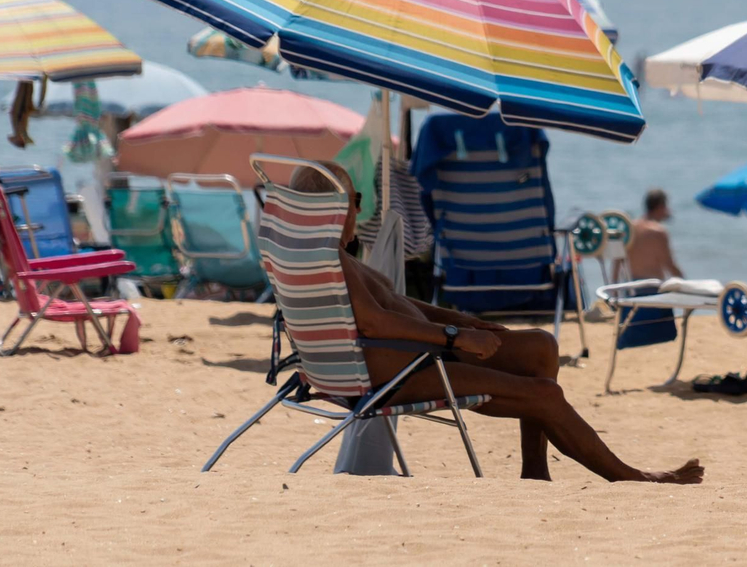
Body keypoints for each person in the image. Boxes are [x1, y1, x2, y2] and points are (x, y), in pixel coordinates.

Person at [290, 162, 703, 484]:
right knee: (543, 394)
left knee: (540, 347)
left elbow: (395, 305)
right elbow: (375, 323)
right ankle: (632, 477)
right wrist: (455, 337)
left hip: (410, 359)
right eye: (354, 199)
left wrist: (463, 321)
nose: (359, 209)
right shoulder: (331, 262)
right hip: (400, 374)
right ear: (333, 208)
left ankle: (535, 471)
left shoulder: (319, 256)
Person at [626, 188, 684, 281]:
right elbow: (669, 264)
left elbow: (618, 260)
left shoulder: (630, 227)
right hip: (651, 285)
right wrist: (684, 282)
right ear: (661, 207)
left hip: (631, 285)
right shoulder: (658, 232)